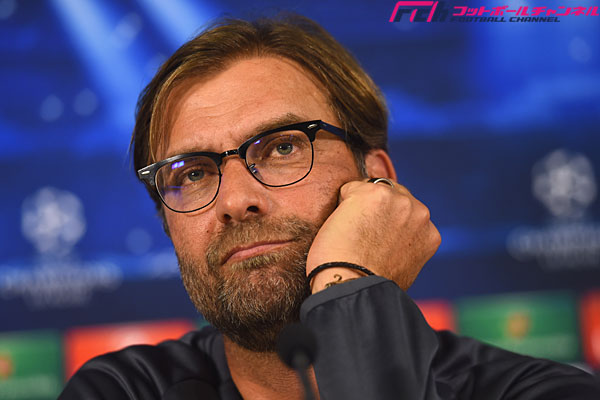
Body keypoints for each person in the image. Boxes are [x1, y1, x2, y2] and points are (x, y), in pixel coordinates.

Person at [59, 14, 600, 399]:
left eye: (282, 148)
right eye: (193, 174)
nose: (236, 201)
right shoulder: (121, 390)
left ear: (377, 182)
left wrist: (346, 287)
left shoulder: (539, 391)